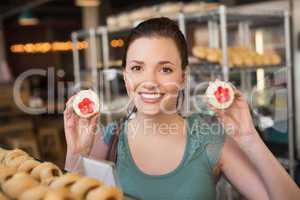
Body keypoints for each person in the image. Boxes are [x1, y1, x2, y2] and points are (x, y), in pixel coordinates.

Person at [64, 17, 300, 200]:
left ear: (183, 78)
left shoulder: (210, 138)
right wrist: (75, 156)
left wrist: (250, 139)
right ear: (125, 77)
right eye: (137, 68)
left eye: (165, 69)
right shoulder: (108, 140)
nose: (150, 81)